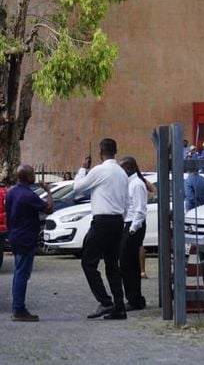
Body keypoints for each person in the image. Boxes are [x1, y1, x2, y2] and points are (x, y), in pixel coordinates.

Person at [73, 137, 129, 320]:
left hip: (102, 221)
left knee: (88, 263)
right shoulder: (122, 173)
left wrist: (83, 168)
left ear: (100, 152)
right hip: (118, 221)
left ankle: (105, 301)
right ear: (116, 151)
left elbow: (77, 187)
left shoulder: (99, 170)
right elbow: (126, 202)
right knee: (112, 265)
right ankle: (119, 307)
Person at [5, 164, 53, 322]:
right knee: (22, 273)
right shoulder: (28, 195)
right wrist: (48, 191)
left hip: (14, 235)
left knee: (18, 271)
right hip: (26, 238)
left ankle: (17, 306)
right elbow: (49, 209)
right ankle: (19, 308)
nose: (35, 176)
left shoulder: (11, 193)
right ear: (26, 177)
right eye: (32, 174)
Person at [118, 156, 150, 311]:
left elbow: (140, 209)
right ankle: (132, 297)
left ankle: (135, 298)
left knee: (128, 264)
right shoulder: (129, 184)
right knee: (126, 264)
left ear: (128, 168)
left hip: (133, 225)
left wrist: (132, 229)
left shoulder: (137, 184)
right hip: (128, 223)